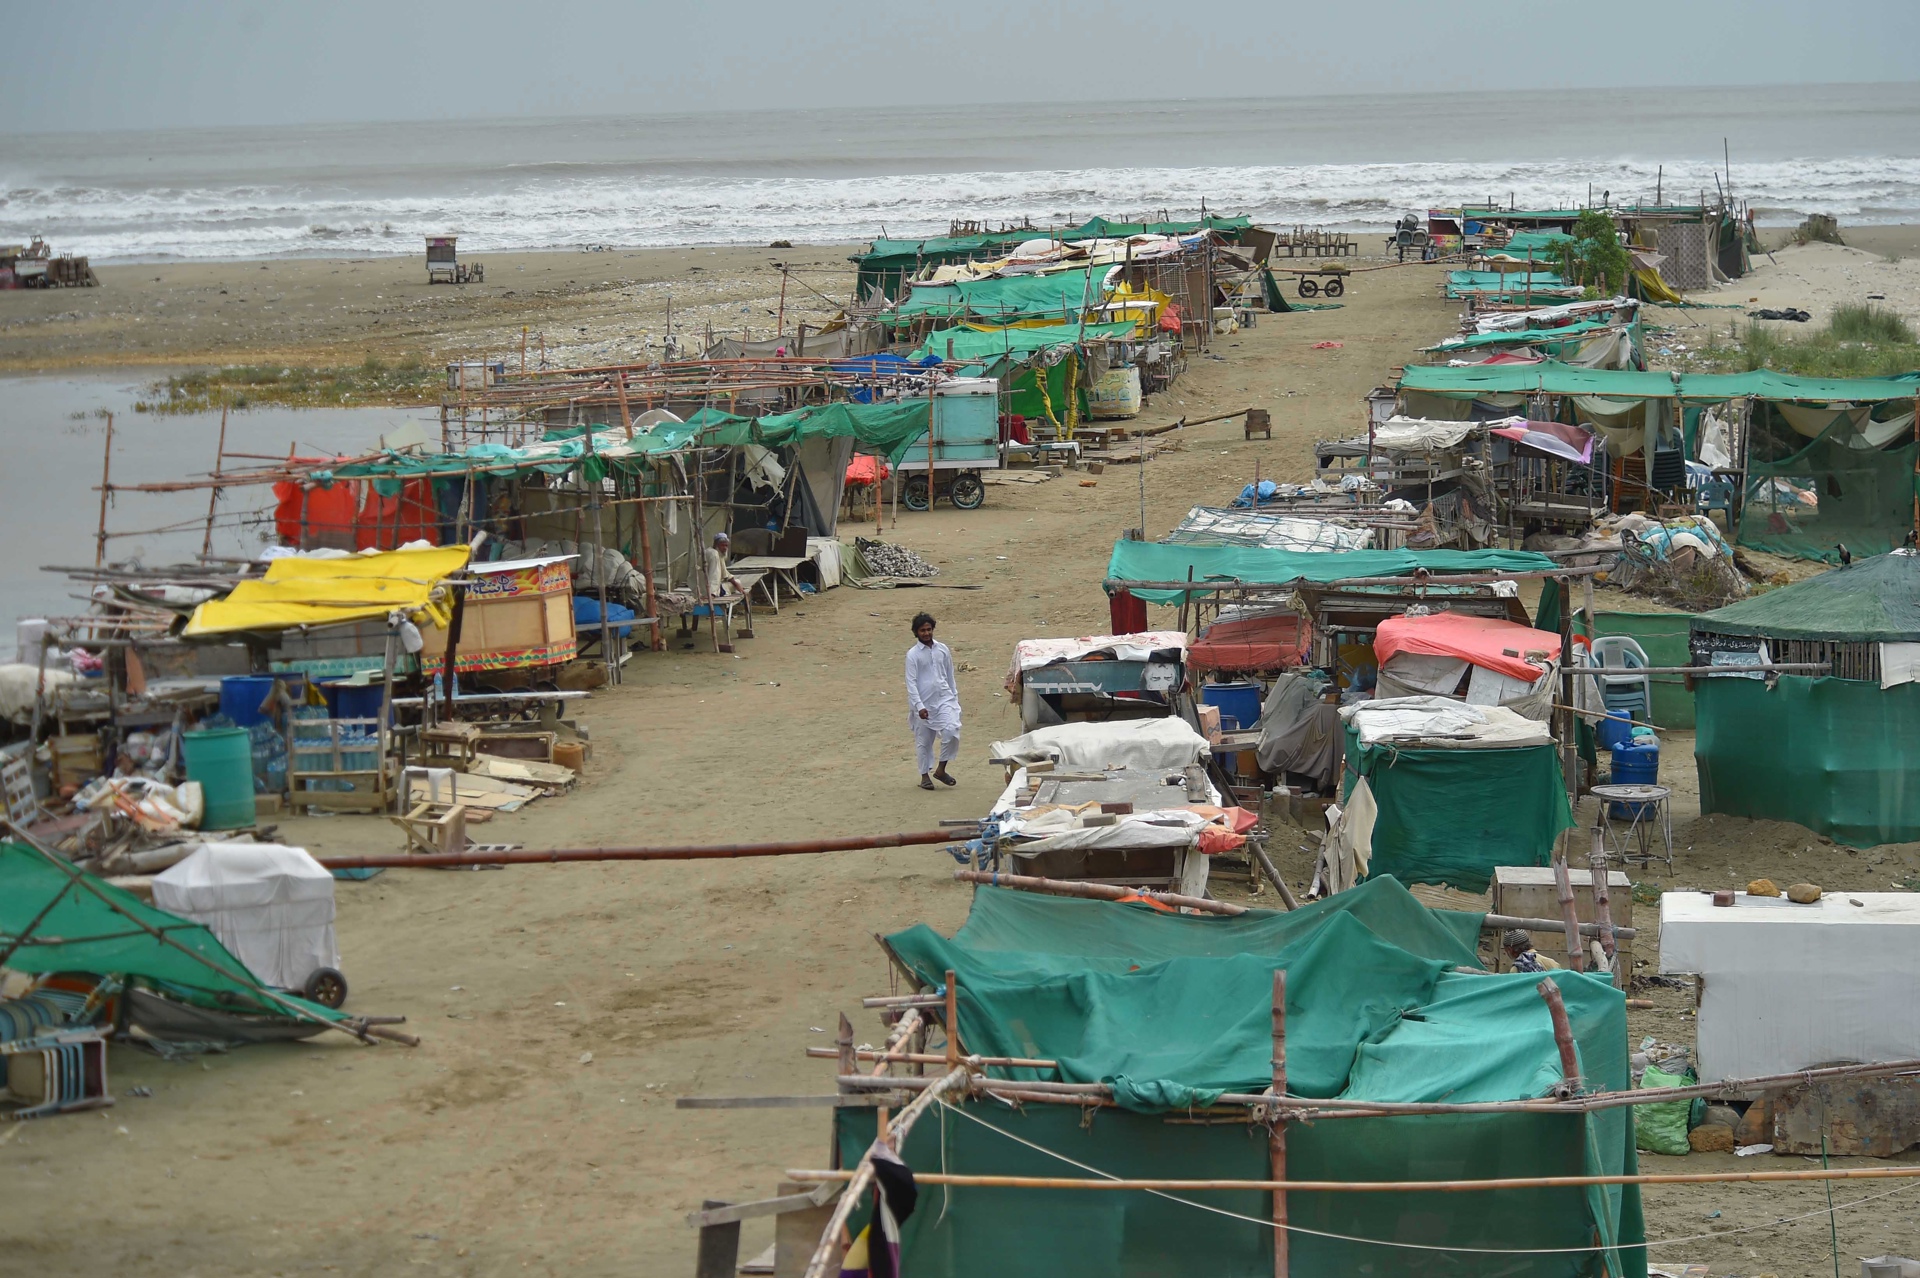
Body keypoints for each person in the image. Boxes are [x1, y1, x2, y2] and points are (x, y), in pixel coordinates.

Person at [904, 612, 960, 790]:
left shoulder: (942, 649)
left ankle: (941, 769)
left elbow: (949, 675)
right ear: (916, 632)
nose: (926, 633)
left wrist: (954, 698)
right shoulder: (912, 655)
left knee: (951, 731)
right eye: (922, 630)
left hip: (945, 699)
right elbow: (911, 683)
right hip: (923, 703)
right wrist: (919, 706)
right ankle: (924, 777)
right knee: (924, 742)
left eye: (929, 629)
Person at [704, 532, 744, 600]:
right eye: (722, 545)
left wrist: (735, 582)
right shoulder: (714, 554)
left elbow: (724, 572)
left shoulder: (717, 553)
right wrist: (712, 593)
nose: (725, 548)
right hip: (707, 588)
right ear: (716, 545)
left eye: (726, 546)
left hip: (708, 586)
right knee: (733, 585)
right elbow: (714, 574)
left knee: (737, 582)